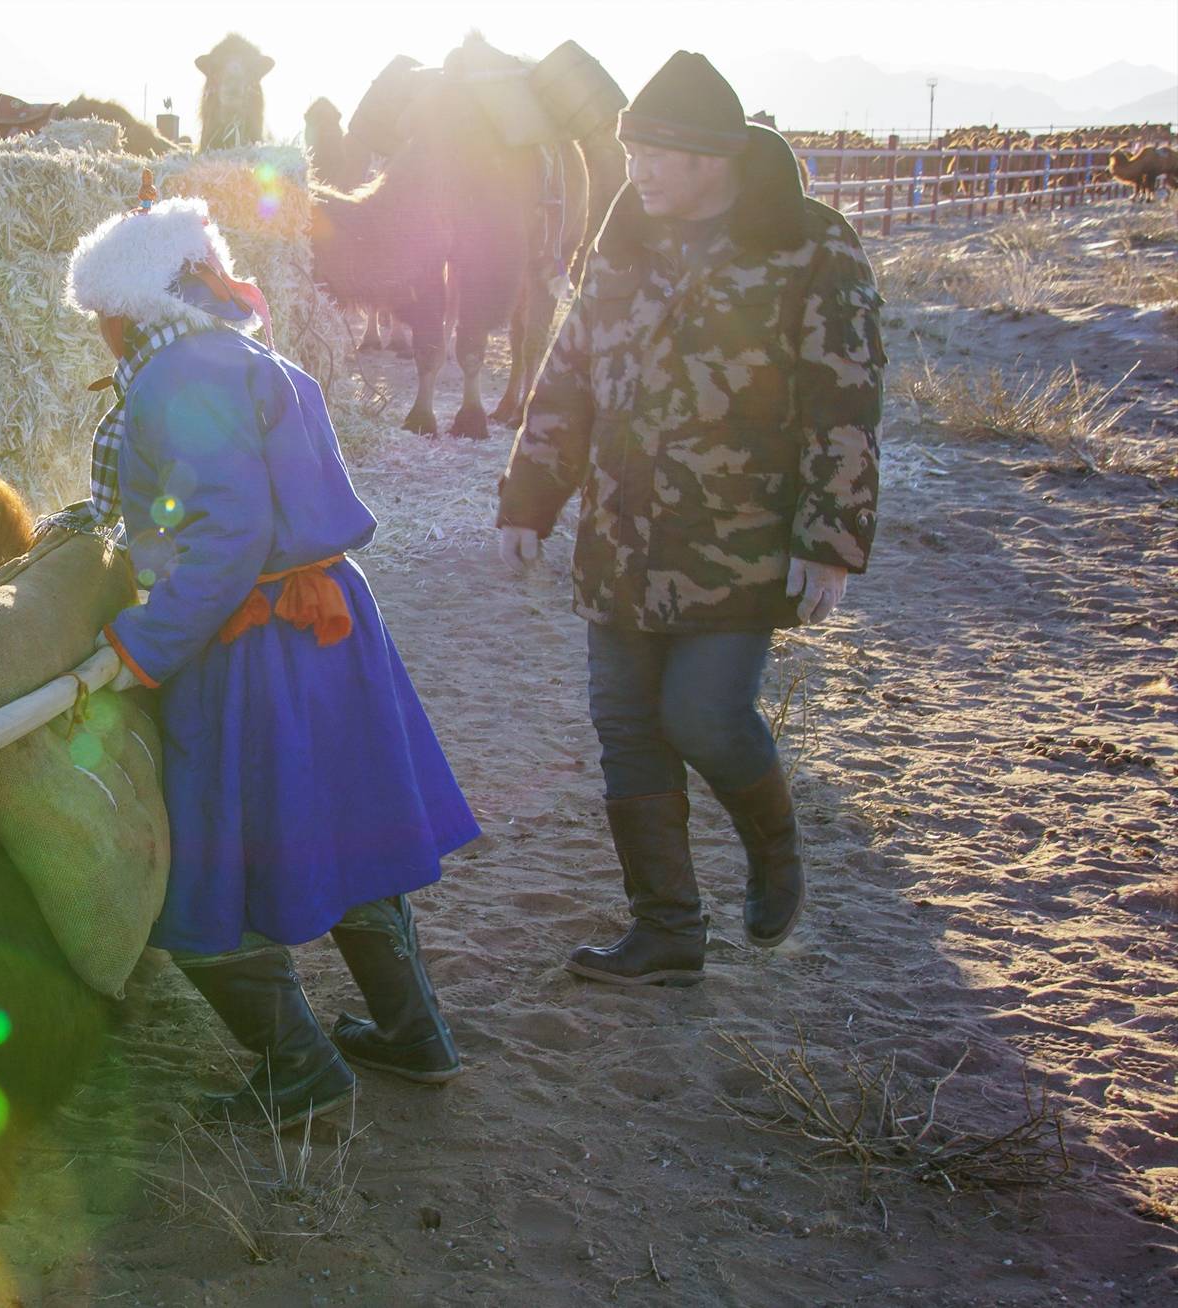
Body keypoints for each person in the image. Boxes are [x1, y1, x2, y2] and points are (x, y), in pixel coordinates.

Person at [67, 180, 480, 1126]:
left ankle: (298, 1067)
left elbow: (226, 535)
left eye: (103, 316)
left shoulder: (175, 380)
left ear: (134, 308)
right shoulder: (251, 359)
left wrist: (140, 645)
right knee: (347, 826)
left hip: (247, 641)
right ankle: (416, 1034)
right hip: (330, 628)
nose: (101, 334)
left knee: (217, 854)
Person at [497, 51, 885, 986]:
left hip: (740, 538)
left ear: (710, 156)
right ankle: (667, 930)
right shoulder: (624, 233)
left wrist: (829, 539)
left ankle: (775, 849)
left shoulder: (810, 243)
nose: (636, 173)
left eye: (653, 156)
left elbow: (846, 398)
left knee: (705, 716)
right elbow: (570, 371)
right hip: (621, 535)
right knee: (627, 726)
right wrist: (530, 500)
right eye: (631, 152)